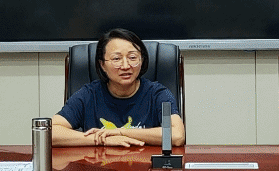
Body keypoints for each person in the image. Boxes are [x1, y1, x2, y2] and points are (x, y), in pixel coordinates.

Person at [52, 29, 186, 148]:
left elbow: (177, 135)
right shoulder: (88, 95)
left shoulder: (158, 94)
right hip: (98, 166)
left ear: (142, 61)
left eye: (132, 57)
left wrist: (121, 132)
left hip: (146, 166)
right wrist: (101, 139)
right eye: (116, 59)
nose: (126, 66)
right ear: (102, 65)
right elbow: (50, 132)